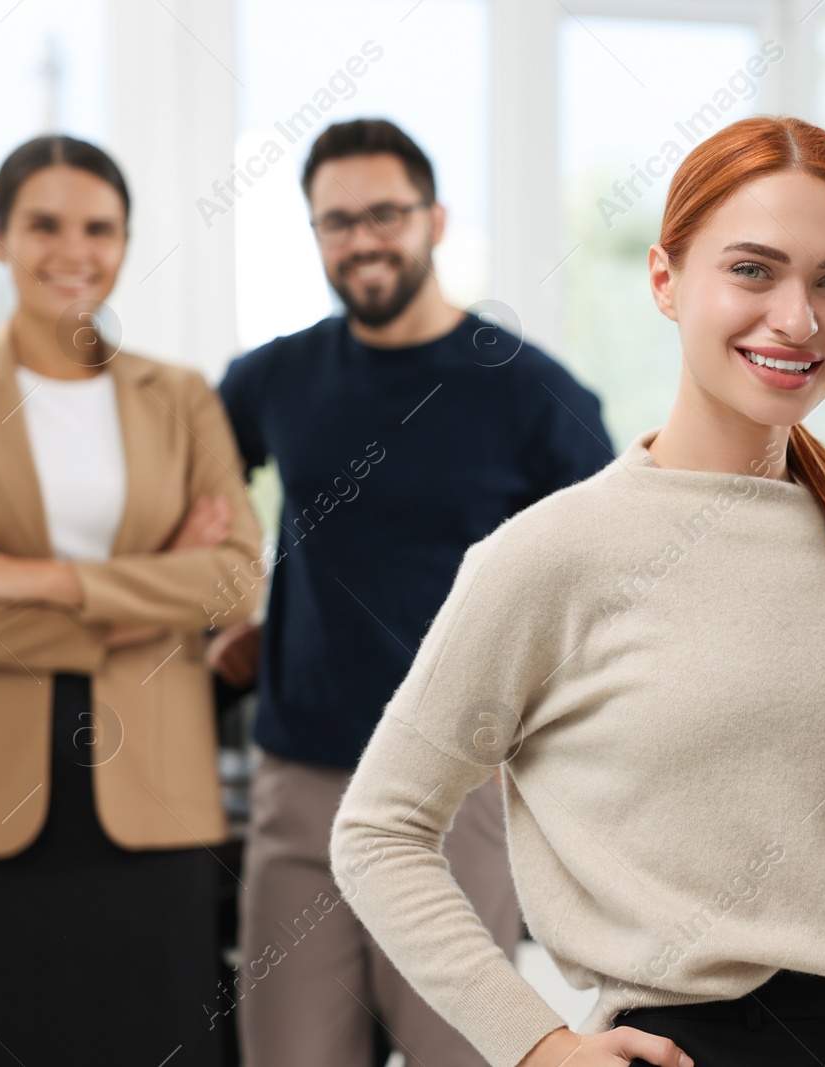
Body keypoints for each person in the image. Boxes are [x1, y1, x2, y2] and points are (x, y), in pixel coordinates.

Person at [329, 115, 825, 1067]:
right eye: (753, 270)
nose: (797, 317)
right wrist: (533, 1042)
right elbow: (379, 831)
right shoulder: (550, 556)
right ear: (666, 280)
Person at [211, 118, 613, 1067]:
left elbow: (610, 582)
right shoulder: (271, 379)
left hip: (458, 789)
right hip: (300, 785)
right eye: (336, 220)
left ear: (433, 219)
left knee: (459, 1055)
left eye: (385, 213)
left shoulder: (531, 395)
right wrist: (222, 617)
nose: (362, 239)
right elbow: (187, 505)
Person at [0, 135, 261, 1066]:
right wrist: (155, 600)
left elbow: (235, 579)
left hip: (156, 798)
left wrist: (16, 576)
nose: (75, 249)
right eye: (43, 224)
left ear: (126, 240)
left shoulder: (179, 398)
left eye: (101, 227)